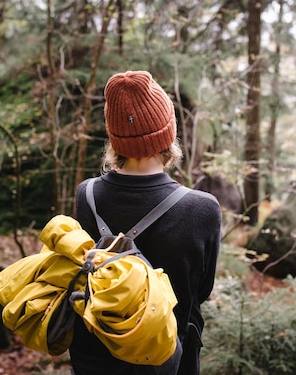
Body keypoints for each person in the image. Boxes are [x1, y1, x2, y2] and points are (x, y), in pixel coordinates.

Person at [70, 70, 221, 375]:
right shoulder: (202, 208)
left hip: (95, 360)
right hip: (167, 361)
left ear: (114, 139)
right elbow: (201, 292)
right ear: (168, 135)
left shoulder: (86, 195)